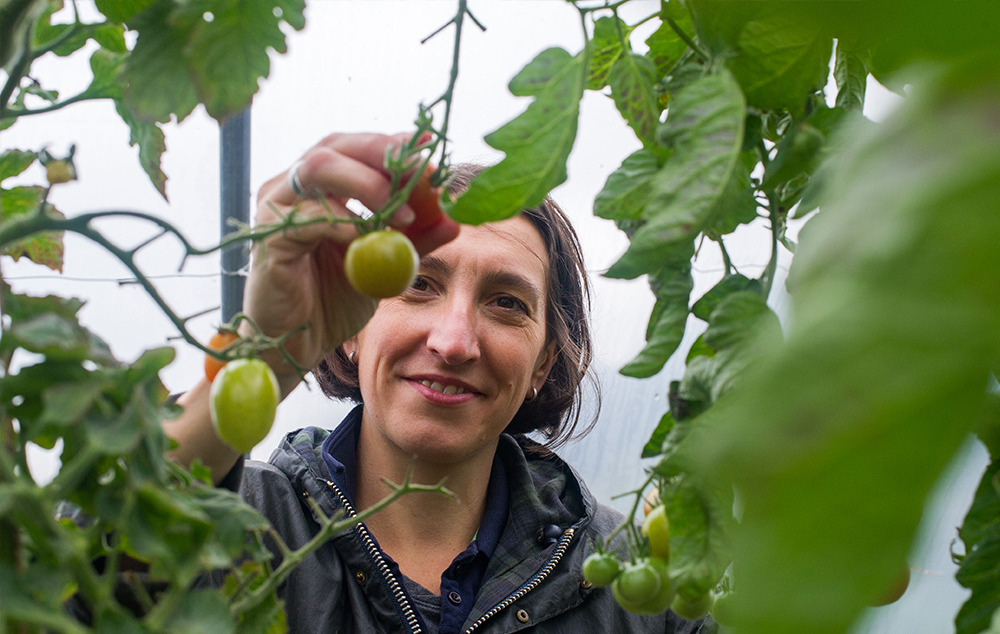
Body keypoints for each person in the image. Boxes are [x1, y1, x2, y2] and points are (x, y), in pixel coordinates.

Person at [165, 132, 708, 633]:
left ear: (542, 363)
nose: (453, 342)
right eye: (418, 283)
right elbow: (91, 567)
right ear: (352, 326)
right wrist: (268, 350)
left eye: (506, 303)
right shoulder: (237, 527)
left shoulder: (629, 585)